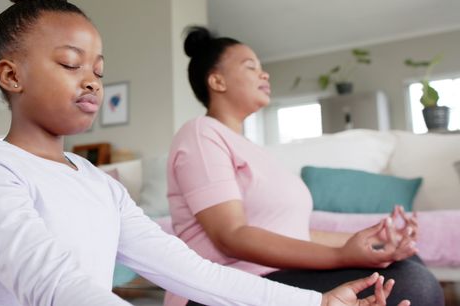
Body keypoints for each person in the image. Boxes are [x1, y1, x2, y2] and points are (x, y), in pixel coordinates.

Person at [0, 0, 410, 306]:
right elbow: (52, 284)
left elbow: (192, 271)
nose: (91, 81)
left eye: (98, 70)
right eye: (71, 64)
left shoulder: (100, 184)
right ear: (10, 75)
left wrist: (317, 304)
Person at [165, 26, 443, 306]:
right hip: (220, 288)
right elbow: (230, 236)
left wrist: (379, 242)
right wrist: (341, 256)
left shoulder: (253, 150)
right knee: (413, 285)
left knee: (406, 259)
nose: (265, 74)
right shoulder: (201, 133)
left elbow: (298, 234)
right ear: (217, 82)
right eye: (250, 67)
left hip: (273, 275)